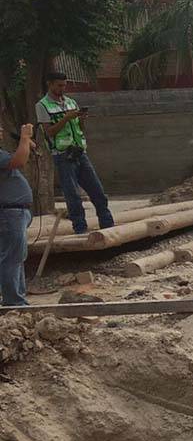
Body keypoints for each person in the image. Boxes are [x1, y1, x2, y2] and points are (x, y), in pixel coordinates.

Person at [37, 72, 115, 235]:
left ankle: (108, 226)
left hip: (79, 152)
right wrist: (66, 118)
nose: (62, 88)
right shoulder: (42, 105)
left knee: (98, 191)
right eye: (59, 85)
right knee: (73, 196)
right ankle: (80, 229)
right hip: (62, 155)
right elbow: (49, 132)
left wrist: (81, 119)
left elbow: (80, 128)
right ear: (49, 84)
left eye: (64, 85)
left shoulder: (71, 102)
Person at [1, 124, 35, 307]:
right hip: (9, 213)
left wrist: (25, 143)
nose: (1, 130)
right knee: (12, 258)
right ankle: (14, 301)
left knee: (16, 257)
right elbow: (19, 161)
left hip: (14, 212)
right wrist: (24, 138)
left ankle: (17, 298)